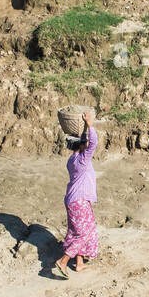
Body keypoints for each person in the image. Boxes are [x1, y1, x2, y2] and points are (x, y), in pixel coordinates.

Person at [54, 109, 99, 278]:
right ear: (81, 145)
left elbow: (88, 144)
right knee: (84, 232)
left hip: (73, 200)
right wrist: (89, 125)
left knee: (77, 230)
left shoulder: (71, 160)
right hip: (79, 200)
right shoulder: (82, 160)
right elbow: (93, 143)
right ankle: (63, 261)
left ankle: (79, 263)